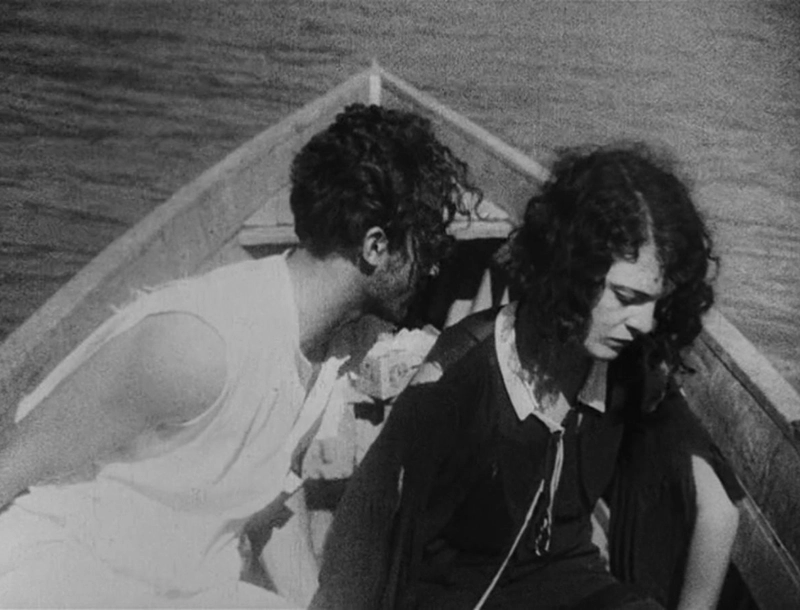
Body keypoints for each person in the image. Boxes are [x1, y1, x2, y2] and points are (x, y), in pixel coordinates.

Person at [0, 103, 477, 608]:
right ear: (375, 247)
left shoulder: (337, 347)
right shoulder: (201, 346)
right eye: (425, 246)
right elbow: (14, 461)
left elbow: (269, 498)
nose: (432, 269)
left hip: (178, 590)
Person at [311, 143, 743, 610]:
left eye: (657, 302)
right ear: (572, 268)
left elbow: (719, 509)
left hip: (573, 586)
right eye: (626, 296)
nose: (645, 322)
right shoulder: (462, 373)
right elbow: (365, 521)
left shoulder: (628, 365)